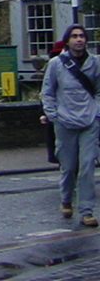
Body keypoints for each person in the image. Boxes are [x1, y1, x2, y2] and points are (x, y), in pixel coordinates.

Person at [42, 24, 100, 227]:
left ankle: (86, 211)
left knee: (87, 167)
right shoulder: (56, 64)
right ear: (67, 41)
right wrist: (53, 116)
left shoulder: (95, 63)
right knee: (68, 167)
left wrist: (97, 112)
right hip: (65, 122)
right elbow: (47, 92)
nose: (79, 39)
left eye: (82, 36)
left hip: (89, 121)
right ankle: (66, 200)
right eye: (74, 36)